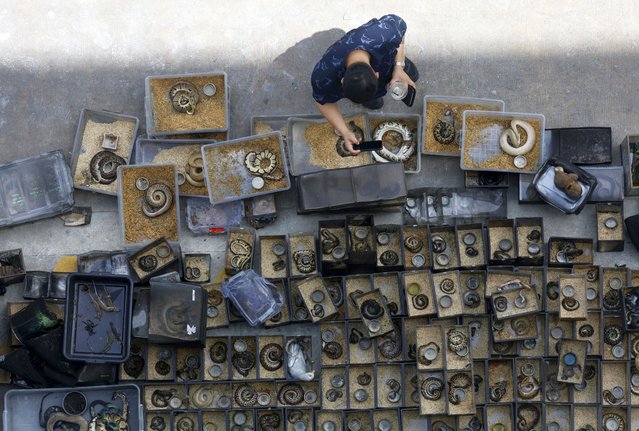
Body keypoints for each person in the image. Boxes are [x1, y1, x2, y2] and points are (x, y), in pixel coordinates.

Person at [311, 14, 420, 155]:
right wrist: (344, 131)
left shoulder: (384, 33)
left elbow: (401, 31)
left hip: (389, 61)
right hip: (373, 66)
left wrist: (399, 66)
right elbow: (322, 102)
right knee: (374, 102)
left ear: (377, 75)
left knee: (413, 74)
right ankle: (371, 99)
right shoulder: (323, 76)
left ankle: (390, 80)